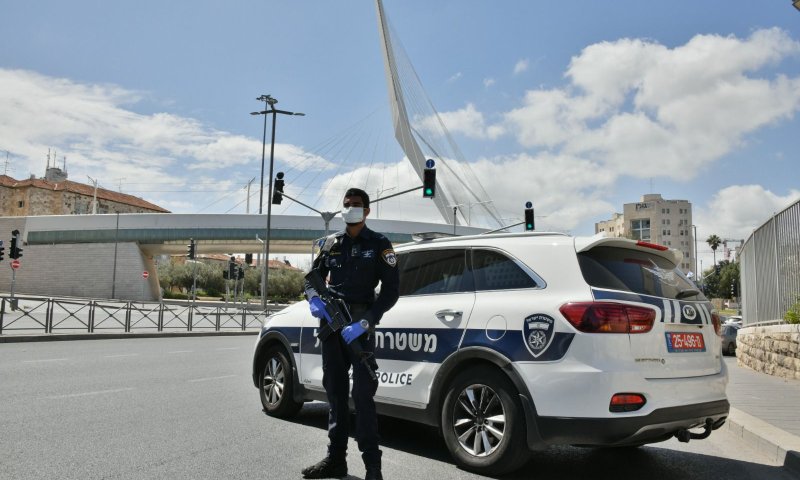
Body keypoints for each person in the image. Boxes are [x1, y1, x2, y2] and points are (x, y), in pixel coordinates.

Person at [302, 187, 400, 480]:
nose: (350, 208)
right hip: (331, 328)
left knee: (363, 396)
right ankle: (336, 461)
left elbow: (391, 291)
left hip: (359, 328)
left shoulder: (380, 244)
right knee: (335, 394)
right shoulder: (330, 243)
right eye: (346, 204)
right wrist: (314, 300)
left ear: (367, 211)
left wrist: (368, 321)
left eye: (356, 205)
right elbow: (311, 279)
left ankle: (373, 468)